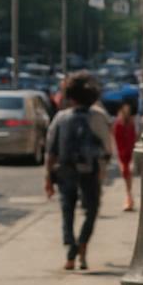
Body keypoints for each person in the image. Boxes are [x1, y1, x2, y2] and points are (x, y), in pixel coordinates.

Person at [43, 72, 110, 270]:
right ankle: (82, 244)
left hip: (65, 170)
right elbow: (107, 149)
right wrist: (101, 172)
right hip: (90, 170)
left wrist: (48, 178)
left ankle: (70, 253)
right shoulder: (98, 117)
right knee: (91, 210)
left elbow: (51, 150)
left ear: (70, 96)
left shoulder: (61, 118)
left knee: (67, 211)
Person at [112, 99, 139, 211]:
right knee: (125, 173)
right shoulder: (118, 124)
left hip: (130, 152)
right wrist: (116, 153)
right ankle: (129, 197)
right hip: (122, 153)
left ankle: (129, 198)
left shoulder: (131, 123)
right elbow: (116, 139)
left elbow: (134, 137)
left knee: (129, 174)